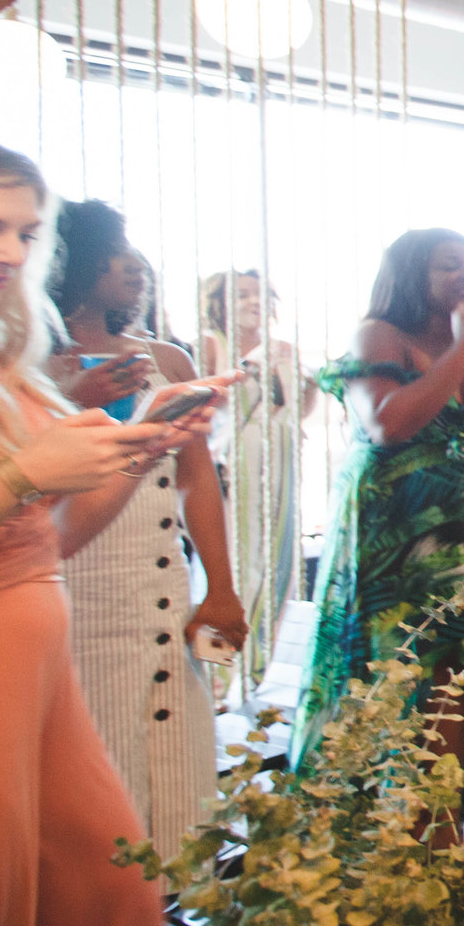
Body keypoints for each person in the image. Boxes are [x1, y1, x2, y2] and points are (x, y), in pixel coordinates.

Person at [0, 143, 218, 926]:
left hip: (40, 658)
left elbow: (51, 538)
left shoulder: (10, 361)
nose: (13, 252)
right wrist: (22, 472)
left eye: (26, 231)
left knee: (115, 900)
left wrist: (143, 442)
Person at [298, 230, 464, 777]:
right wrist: (462, 346)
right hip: (391, 525)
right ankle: (387, 812)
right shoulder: (378, 336)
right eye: (449, 266)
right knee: (390, 667)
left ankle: (441, 815)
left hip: (459, 523)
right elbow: (389, 423)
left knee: (452, 664)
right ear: (411, 276)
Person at [47, 201, 244, 859]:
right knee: (95, 798)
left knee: (177, 781)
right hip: (70, 591)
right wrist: (69, 397)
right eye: (114, 250)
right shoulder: (26, 367)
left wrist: (221, 588)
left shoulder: (166, 360)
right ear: (69, 262)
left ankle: (175, 909)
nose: (134, 264)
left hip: (161, 592)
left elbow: (197, 481)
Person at [198, 267, 313, 679]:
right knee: (234, 565)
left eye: (259, 294)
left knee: (277, 565)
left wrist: (306, 383)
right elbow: (200, 405)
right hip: (233, 467)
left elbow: (299, 409)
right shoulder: (211, 343)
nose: (253, 301)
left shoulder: (284, 348)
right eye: (242, 294)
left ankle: (257, 667)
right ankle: (217, 673)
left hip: (280, 465)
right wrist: (246, 370)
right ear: (221, 302)